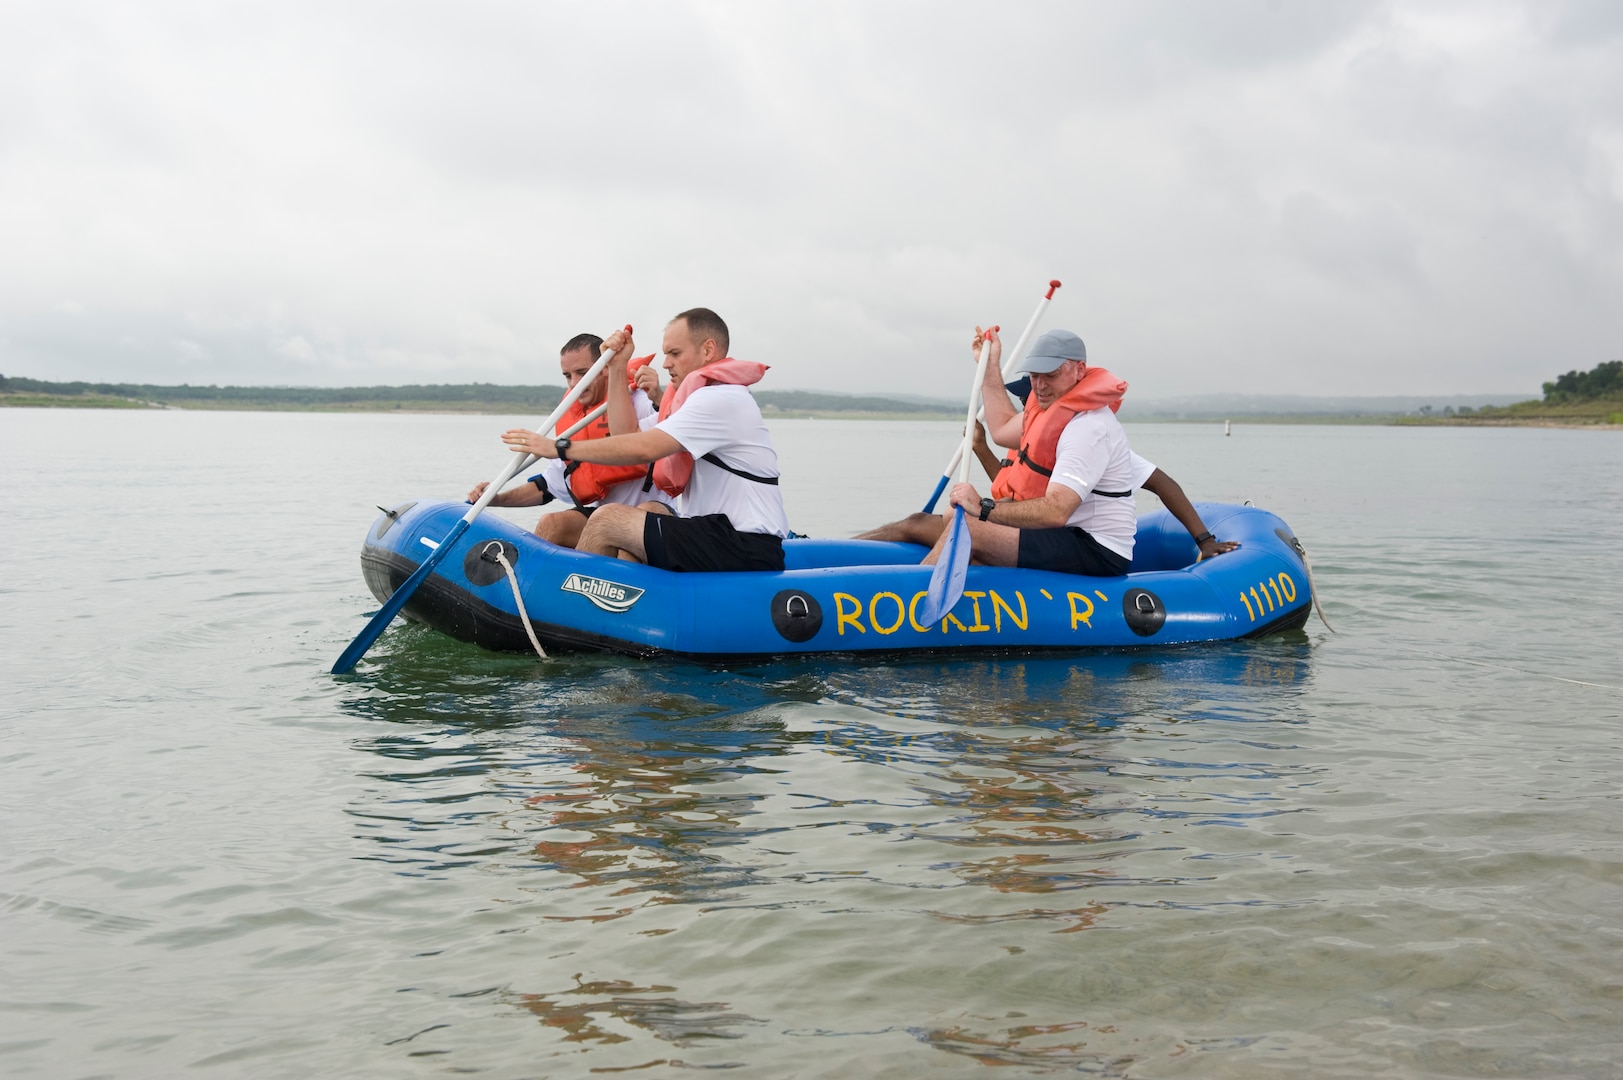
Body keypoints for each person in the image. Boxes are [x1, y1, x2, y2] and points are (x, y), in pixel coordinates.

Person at [856, 326, 1237, 572]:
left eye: (1050, 375)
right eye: (1034, 375)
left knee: (967, 529)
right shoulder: (1049, 410)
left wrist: (1204, 541)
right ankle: (821, 555)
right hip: (1060, 534)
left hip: (1096, 549)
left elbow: (1057, 510)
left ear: (1078, 370)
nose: (1039, 386)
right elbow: (1004, 426)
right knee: (920, 522)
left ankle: (901, 604)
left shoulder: (1088, 429)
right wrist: (990, 366)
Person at [503, 308, 791, 571]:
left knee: (607, 521)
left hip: (744, 543)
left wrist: (560, 447)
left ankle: (562, 611)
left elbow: (645, 448)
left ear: (708, 350)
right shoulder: (693, 402)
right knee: (612, 523)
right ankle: (575, 614)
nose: (666, 364)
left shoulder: (721, 398)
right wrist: (618, 366)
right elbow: (626, 437)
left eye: (675, 353)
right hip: (711, 532)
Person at [468, 333, 670, 549]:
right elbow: (546, 487)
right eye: (567, 376)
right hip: (602, 515)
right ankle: (534, 581)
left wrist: (658, 397)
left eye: (582, 373)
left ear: (604, 368)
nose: (574, 384)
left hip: (651, 513)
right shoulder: (576, 421)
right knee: (551, 523)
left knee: (633, 516)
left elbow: (673, 420)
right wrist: (496, 498)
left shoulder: (641, 401)